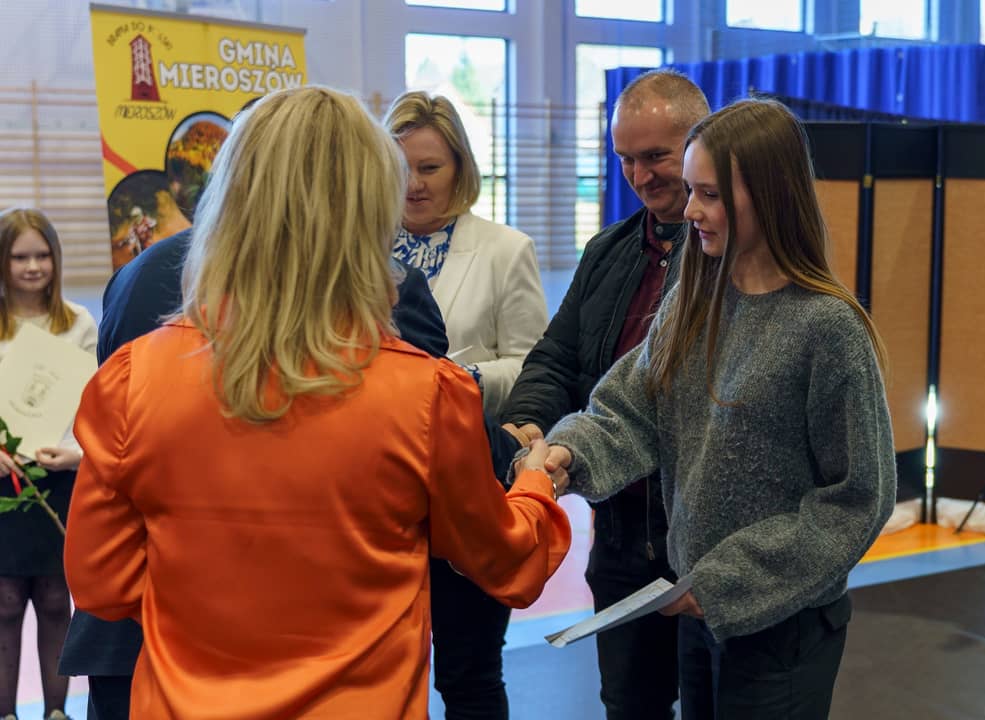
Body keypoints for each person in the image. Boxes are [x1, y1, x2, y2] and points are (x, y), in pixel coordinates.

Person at [62, 86, 570, 720]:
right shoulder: (425, 394)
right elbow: (508, 563)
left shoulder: (134, 379)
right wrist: (534, 484)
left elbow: (102, 582)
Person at [539, 98, 897, 719]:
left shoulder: (827, 329)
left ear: (770, 197)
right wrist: (570, 452)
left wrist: (731, 579)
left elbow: (858, 498)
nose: (690, 210)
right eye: (691, 191)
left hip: (782, 628)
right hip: (701, 613)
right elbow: (631, 410)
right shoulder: (695, 299)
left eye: (708, 194)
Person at [500, 68, 709, 719]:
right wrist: (529, 424)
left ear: (701, 146)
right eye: (625, 159)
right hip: (621, 538)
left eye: (656, 157)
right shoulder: (607, 252)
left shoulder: (739, 263)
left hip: (710, 541)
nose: (640, 176)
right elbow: (557, 358)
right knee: (629, 704)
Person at [384, 90, 550, 720]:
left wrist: (456, 381)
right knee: (386, 671)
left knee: (470, 672)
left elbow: (532, 363)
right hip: (382, 490)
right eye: (402, 169)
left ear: (461, 168)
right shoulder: (355, 249)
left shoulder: (506, 249)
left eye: (430, 168)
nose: (415, 185)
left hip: (468, 478)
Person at [0, 207, 96, 720]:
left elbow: (95, 405)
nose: (33, 266)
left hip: (60, 478)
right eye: (20, 257)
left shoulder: (79, 323)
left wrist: (77, 456)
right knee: (5, 602)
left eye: (43, 255)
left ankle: (57, 712)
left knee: (58, 599)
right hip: (3, 484)